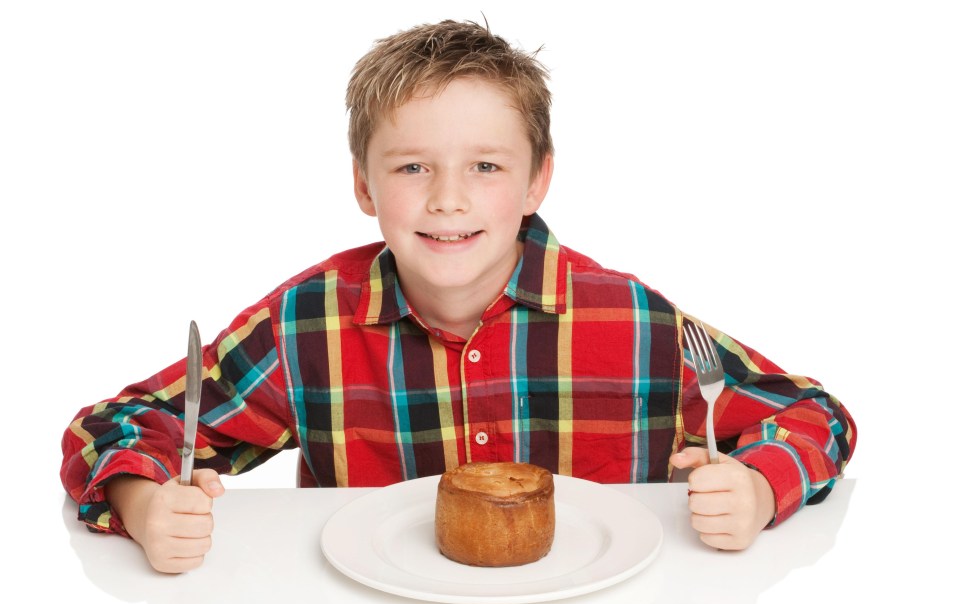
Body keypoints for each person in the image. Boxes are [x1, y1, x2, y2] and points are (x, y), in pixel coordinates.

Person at [60, 19, 857, 573]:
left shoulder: (632, 322)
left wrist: (757, 487)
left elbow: (813, 413)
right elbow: (122, 424)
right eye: (412, 167)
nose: (448, 199)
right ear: (363, 186)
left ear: (538, 179)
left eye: (486, 165)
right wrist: (140, 501)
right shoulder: (309, 324)